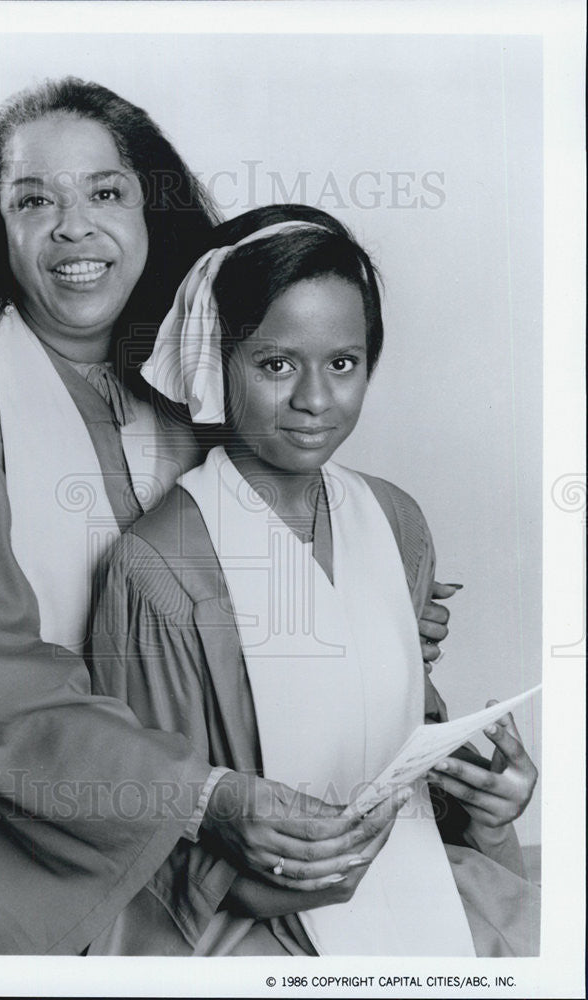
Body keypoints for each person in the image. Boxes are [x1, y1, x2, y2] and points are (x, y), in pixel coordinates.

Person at [0, 80, 452, 955]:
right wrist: (202, 798)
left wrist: (378, 609)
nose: (73, 227)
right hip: (5, 859)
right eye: (32, 201)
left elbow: (221, 609)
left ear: (150, 211)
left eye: (105, 192)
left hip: (201, 857)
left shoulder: (186, 387)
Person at [89, 205, 540, 955]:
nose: (315, 399)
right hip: (249, 921)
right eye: (275, 364)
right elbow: (147, 818)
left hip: (416, 880)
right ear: (216, 361)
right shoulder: (157, 565)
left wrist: (487, 803)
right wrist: (270, 882)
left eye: (343, 362)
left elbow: (401, 752)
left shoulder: (396, 520)